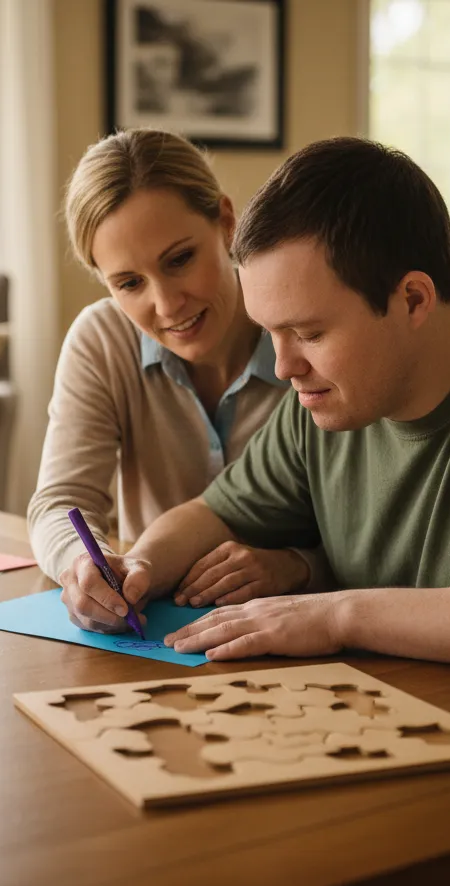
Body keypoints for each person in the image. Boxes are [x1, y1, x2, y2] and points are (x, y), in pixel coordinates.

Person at [60, 135, 450, 686]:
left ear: (412, 299)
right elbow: (210, 515)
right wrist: (136, 566)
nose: (282, 367)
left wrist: (338, 614)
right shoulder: (325, 401)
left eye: (309, 332)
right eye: (270, 332)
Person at [29, 128, 323, 629]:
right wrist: (85, 565)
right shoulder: (102, 340)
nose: (166, 305)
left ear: (226, 223)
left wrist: (299, 566)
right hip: (157, 629)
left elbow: (371, 526)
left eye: (180, 259)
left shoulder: (309, 330)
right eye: (129, 283)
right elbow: (61, 502)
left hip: (296, 625)